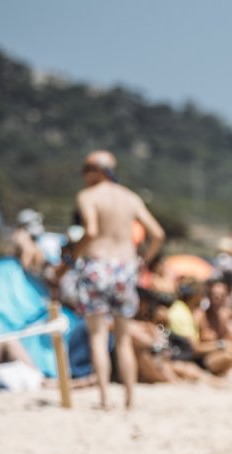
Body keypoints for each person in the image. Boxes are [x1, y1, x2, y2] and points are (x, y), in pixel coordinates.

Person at [74, 150, 165, 409]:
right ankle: (129, 399)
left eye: (85, 171)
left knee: (98, 335)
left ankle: (104, 398)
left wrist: (73, 254)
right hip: (126, 267)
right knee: (124, 339)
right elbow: (157, 233)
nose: (83, 177)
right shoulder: (130, 198)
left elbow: (91, 231)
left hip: (98, 265)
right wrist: (143, 260)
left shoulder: (88, 196)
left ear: (95, 171)